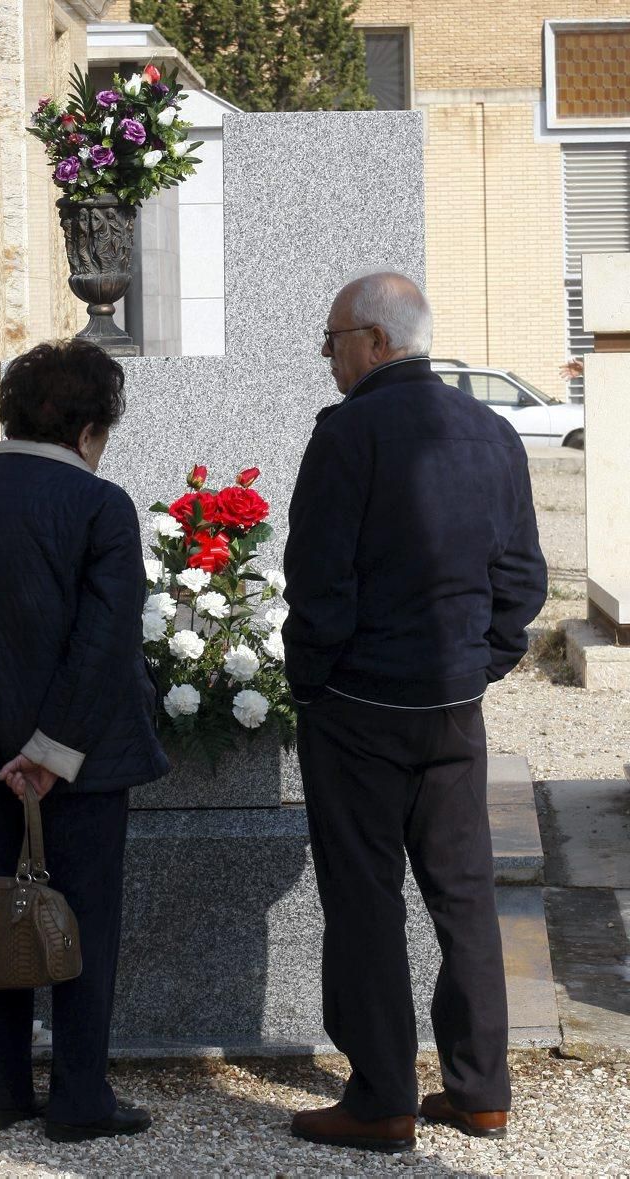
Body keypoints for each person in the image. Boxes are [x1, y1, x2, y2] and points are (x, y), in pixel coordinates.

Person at [283, 272, 547, 1153]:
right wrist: (477, 667)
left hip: (360, 707)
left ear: (376, 341)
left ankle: (382, 1098)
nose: (330, 358)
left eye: (333, 342)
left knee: (364, 901)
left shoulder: (349, 432)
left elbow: (318, 583)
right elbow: (521, 583)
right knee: (465, 895)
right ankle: (480, 1090)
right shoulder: (492, 430)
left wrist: (313, 683)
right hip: (451, 707)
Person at [0, 339, 169, 1143]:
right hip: (79, 764)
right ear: (89, 430)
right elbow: (103, 641)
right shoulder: (99, 506)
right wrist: (51, 751)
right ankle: (80, 1098)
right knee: (80, 925)